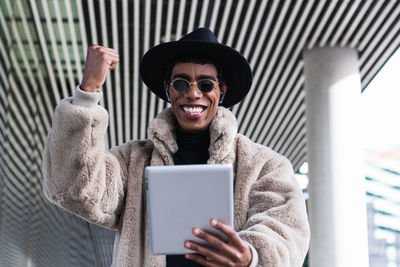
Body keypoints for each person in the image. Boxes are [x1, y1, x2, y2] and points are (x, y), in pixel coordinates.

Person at [42, 28, 310, 267]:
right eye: (181, 83)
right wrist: (88, 92)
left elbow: (287, 229)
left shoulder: (264, 166)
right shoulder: (132, 162)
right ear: (168, 90)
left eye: (206, 85)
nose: (193, 93)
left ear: (222, 91)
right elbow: (71, 188)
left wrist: (250, 257)